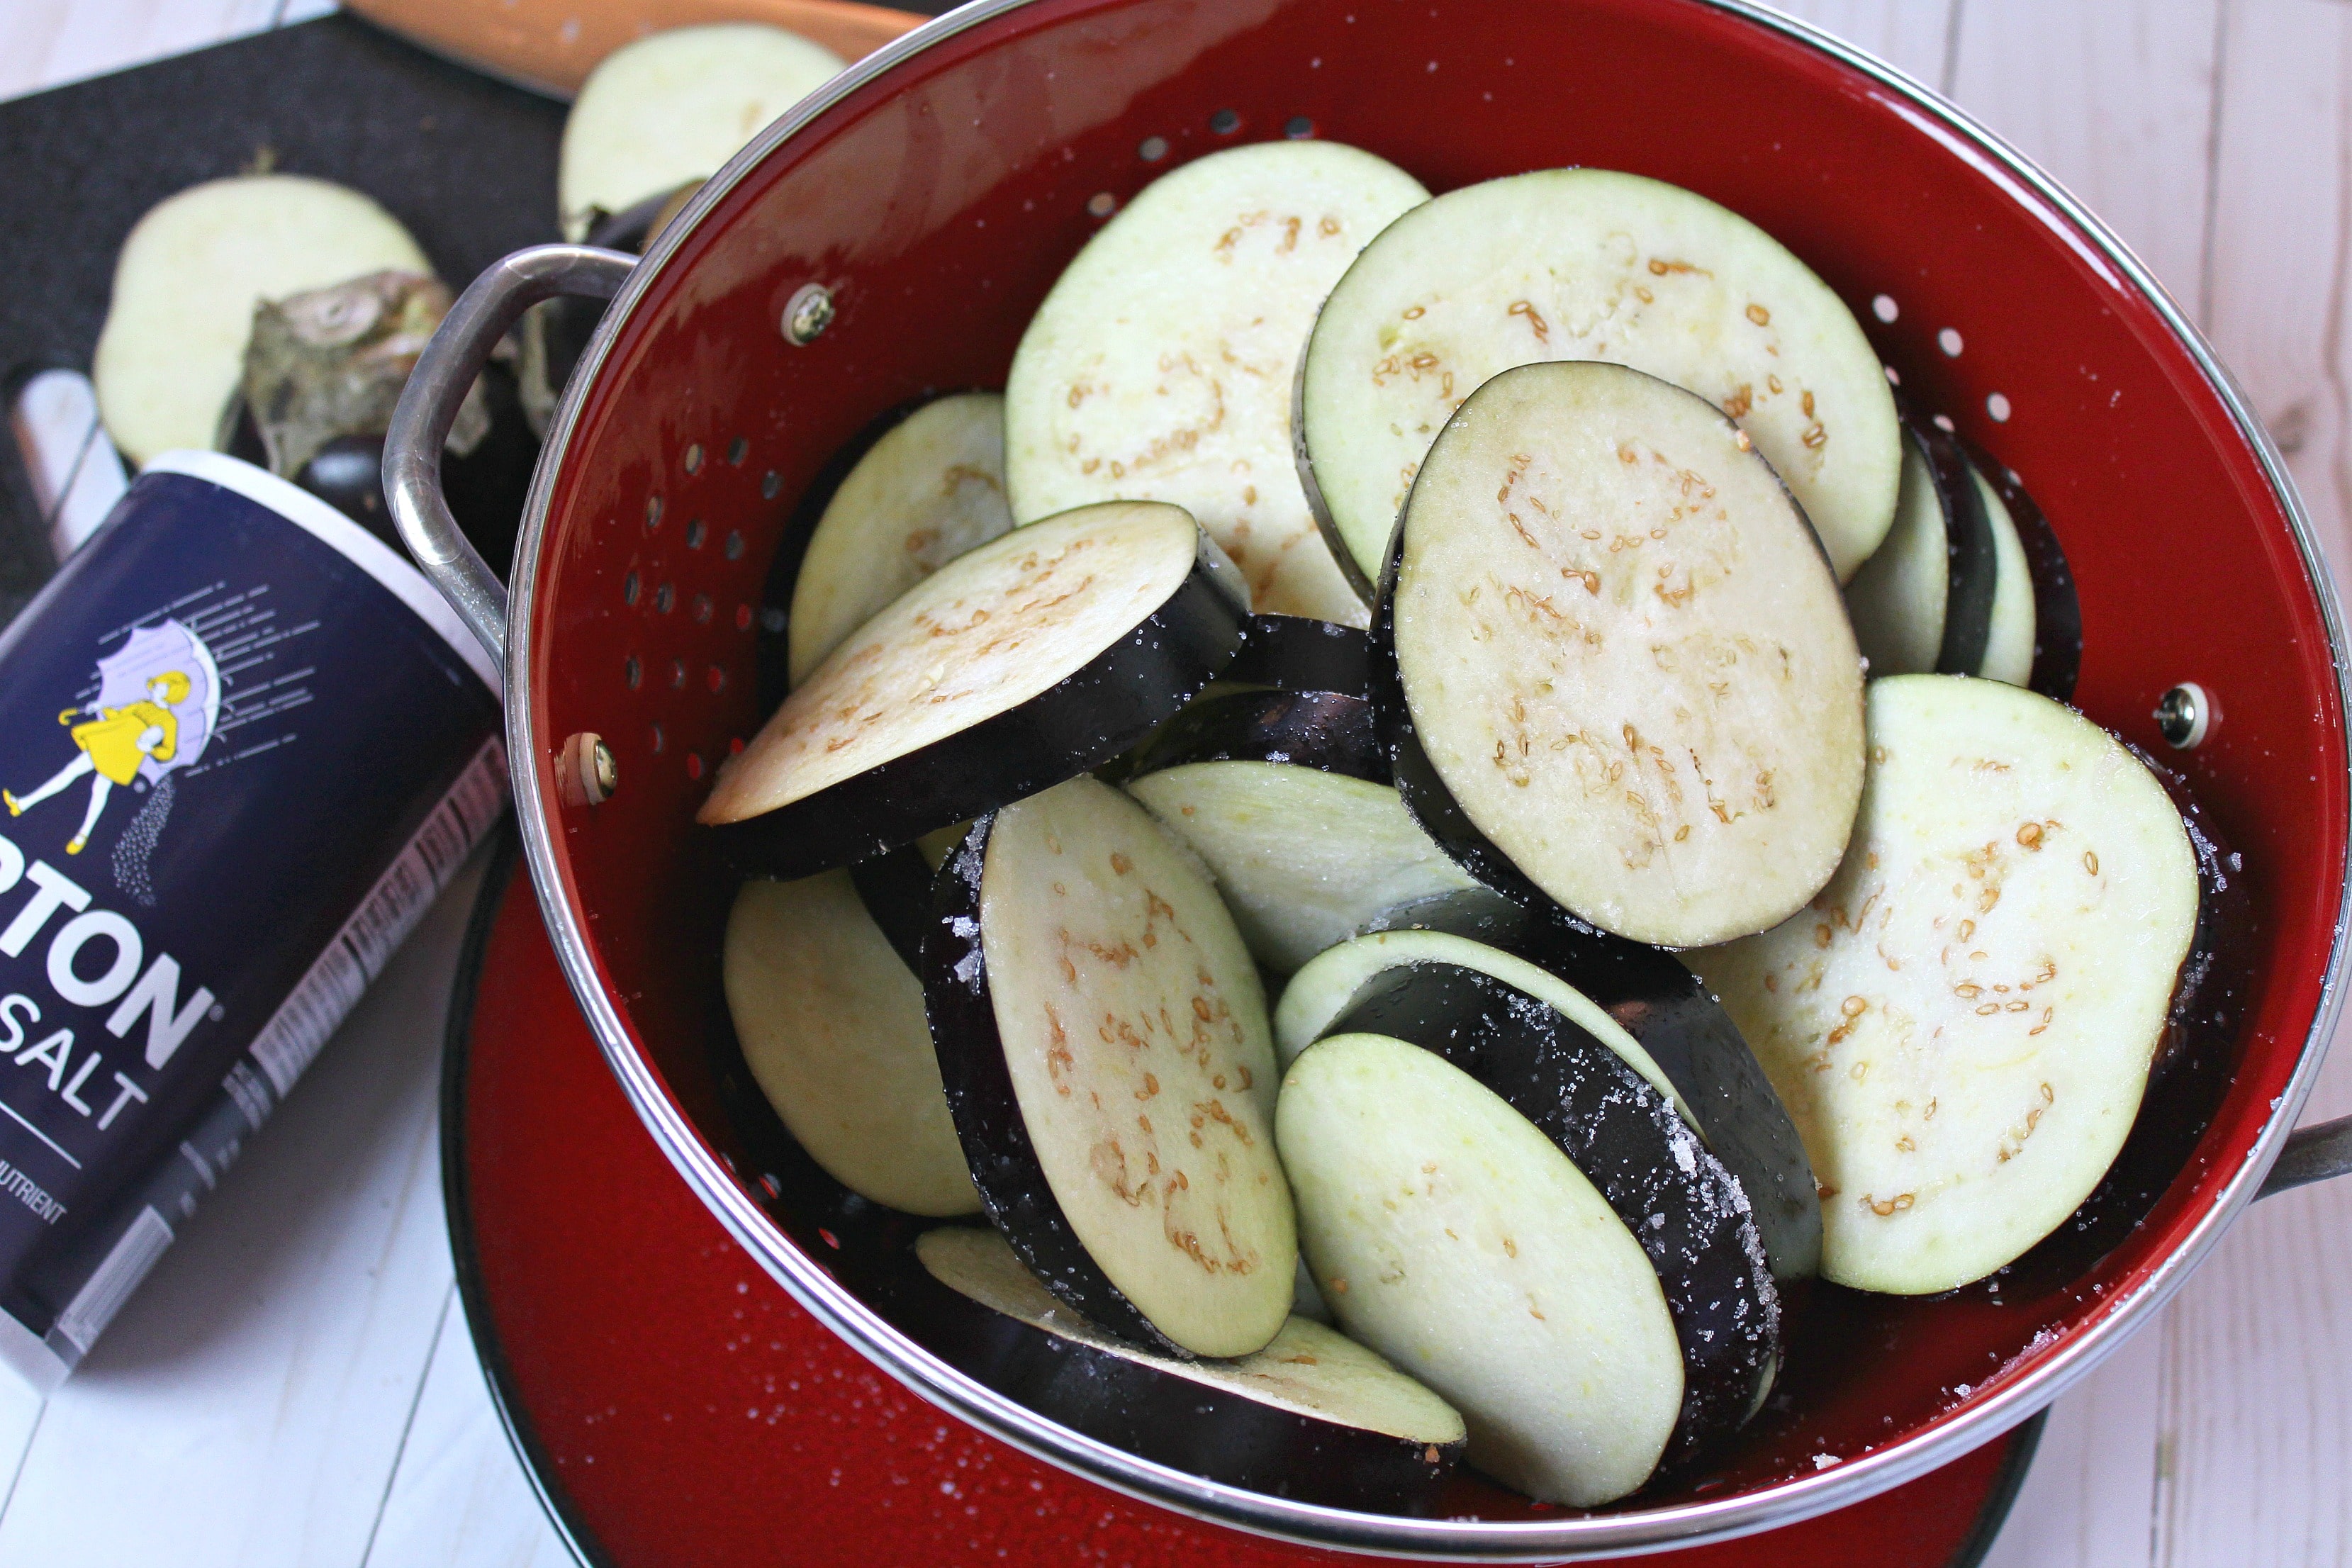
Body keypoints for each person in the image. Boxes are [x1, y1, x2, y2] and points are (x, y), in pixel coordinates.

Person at [4, 671, 189, 854]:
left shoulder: (169, 722)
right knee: (70, 772)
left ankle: (83, 835)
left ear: (172, 692)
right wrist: (101, 707)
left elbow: (168, 752)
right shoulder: (142, 704)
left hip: (124, 756)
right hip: (107, 743)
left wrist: (151, 749)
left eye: (162, 686)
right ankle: (22, 804)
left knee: (99, 789)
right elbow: (119, 719)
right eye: (157, 683)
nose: (156, 687)